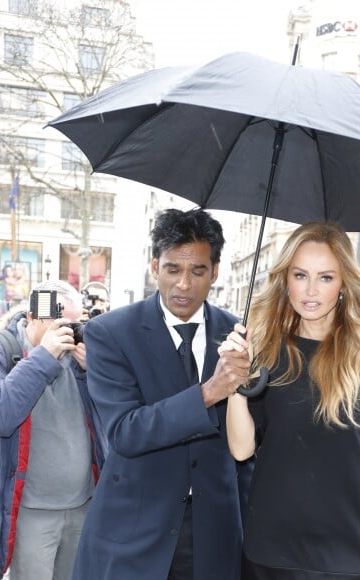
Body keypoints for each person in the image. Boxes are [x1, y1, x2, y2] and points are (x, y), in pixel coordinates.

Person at [72, 208, 252, 580]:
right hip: (133, 535)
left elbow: (250, 441)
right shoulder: (109, 333)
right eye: (173, 269)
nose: (184, 284)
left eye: (198, 271)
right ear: (154, 266)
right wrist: (210, 391)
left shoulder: (240, 335)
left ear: (215, 272)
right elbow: (125, 432)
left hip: (214, 536)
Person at [224, 221, 360, 579]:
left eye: (325, 277)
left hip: (349, 547)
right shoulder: (265, 347)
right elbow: (242, 449)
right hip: (273, 546)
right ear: (285, 279)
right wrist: (233, 380)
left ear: (343, 283)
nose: (310, 290)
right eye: (300, 275)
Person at [0, 280, 105, 580]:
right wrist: (44, 356)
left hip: (84, 505)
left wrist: (93, 373)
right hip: (32, 513)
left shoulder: (79, 356)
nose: (68, 332)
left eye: (74, 324)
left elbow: (112, 417)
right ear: (33, 316)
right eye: (60, 323)